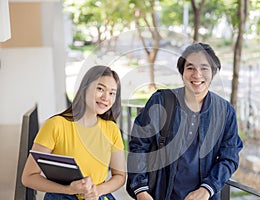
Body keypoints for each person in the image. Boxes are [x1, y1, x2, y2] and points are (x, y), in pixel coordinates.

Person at [126, 43, 243, 200]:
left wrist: (207, 189)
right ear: (182, 72)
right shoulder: (161, 101)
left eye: (204, 68)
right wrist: (141, 190)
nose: (197, 75)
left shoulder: (225, 111)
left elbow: (229, 156)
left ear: (213, 73)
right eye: (190, 68)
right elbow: (139, 146)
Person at [22, 65, 126, 200]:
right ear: (84, 89)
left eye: (112, 93)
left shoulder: (112, 129)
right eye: (100, 89)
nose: (106, 97)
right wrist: (68, 189)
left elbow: (120, 176)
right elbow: (28, 177)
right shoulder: (55, 125)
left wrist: (97, 190)